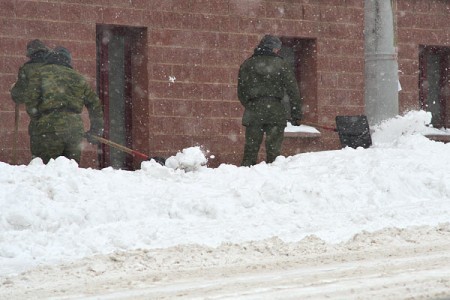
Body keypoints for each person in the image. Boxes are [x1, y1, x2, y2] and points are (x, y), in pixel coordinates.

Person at [14, 46, 104, 164]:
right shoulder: (78, 77)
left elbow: (31, 100)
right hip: (74, 129)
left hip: (48, 128)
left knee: (48, 170)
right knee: (70, 172)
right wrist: (96, 130)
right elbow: (94, 104)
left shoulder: (40, 74)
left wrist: (38, 119)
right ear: (68, 60)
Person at [237, 35, 302, 166]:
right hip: (275, 111)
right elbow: (293, 91)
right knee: (274, 153)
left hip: (253, 112)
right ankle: (273, 180)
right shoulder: (282, 64)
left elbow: (241, 91)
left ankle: (245, 178)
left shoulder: (247, 64)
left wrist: (251, 105)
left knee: (250, 151)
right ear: (275, 48)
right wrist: (296, 114)